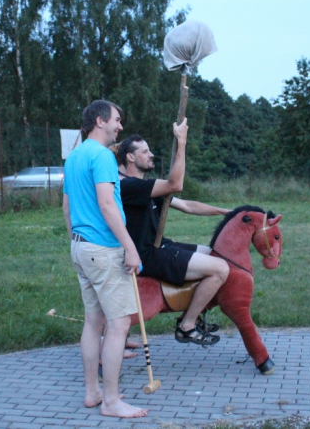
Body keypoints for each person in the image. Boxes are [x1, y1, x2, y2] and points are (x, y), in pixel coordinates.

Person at [63, 100, 148, 419]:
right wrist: (130, 247)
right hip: (104, 249)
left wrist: (76, 241)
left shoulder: (74, 156)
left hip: (81, 247)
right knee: (119, 324)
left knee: (93, 321)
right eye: (117, 120)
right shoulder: (101, 156)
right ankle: (111, 402)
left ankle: (93, 392)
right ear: (100, 121)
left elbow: (66, 207)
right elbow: (107, 205)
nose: (120, 126)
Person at [115, 118, 231, 346]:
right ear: (130, 157)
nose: (151, 155)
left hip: (158, 245)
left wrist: (226, 212)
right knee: (220, 269)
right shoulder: (126, 186)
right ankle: (187, 325)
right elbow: (175, 184)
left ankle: (192, 314)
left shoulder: (145, 187)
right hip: (144, 255)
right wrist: (182, 142)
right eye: (145, 151)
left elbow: (186, 205)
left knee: (215, 254)